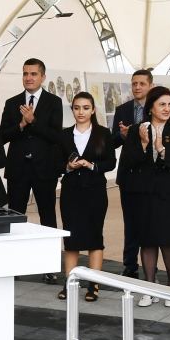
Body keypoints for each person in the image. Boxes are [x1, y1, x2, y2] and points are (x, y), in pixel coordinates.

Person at [118, 86, 170, 307]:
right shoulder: (135, 130)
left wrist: (161, 150)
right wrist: (143, 143)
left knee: (169, 241)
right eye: (162, 104)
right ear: (151, 107)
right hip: (143, 192)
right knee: (147, 241)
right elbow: (129, 161)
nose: (167, 108)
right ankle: (149, 288)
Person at [0, 58, 63, 283]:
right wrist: (21, 125)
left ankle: (50, 266)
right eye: (25, 73)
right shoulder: (11, 102)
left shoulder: (54, 102)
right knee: (15, 216)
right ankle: (14, 265)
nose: (29, 77)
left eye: (34, 74)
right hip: (18, 168)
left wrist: (33, 121)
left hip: (44, 168)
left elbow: (56, 136)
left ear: (43, 76)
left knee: (48, 215)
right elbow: (3, 135)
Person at [56, 92, 116, 302]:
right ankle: (70, 282)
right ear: (72, 110)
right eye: (77, 108)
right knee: (71, 239)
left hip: (95, 190)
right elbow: (54, 164)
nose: (81, 112)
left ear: (93, 110)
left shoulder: (103, 133)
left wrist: (92, 165)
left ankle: (94, 283)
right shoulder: (63, 134)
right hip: (71, 191)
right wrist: (67, 167)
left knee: (94, 237)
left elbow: (111, 162)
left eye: (85, 107)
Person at [110, 69, 153, 278]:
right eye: (134, 83)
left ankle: (149, 266)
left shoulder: (156, 109)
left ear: (150, 86)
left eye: (141, 84)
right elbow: (113, 140)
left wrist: (134, 136)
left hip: (149, 173)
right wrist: (122, 134)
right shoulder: (122, 109)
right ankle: (130, 265)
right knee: (130, 221)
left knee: (148, 220)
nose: (137, 87)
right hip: (128, 174)